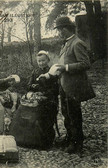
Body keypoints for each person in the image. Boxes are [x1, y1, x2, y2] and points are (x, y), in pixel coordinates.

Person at [52, 16, 95, 153]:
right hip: (65, 84)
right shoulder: (66, 44)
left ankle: (77, 143)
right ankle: (70, 138)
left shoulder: (77, 43)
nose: (59, 32)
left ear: (67, 29)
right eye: (59, 30)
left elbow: (85, 64)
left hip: (74, 86)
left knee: (74, 114)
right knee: (66, 113)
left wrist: (66, 68)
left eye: (60, 29)